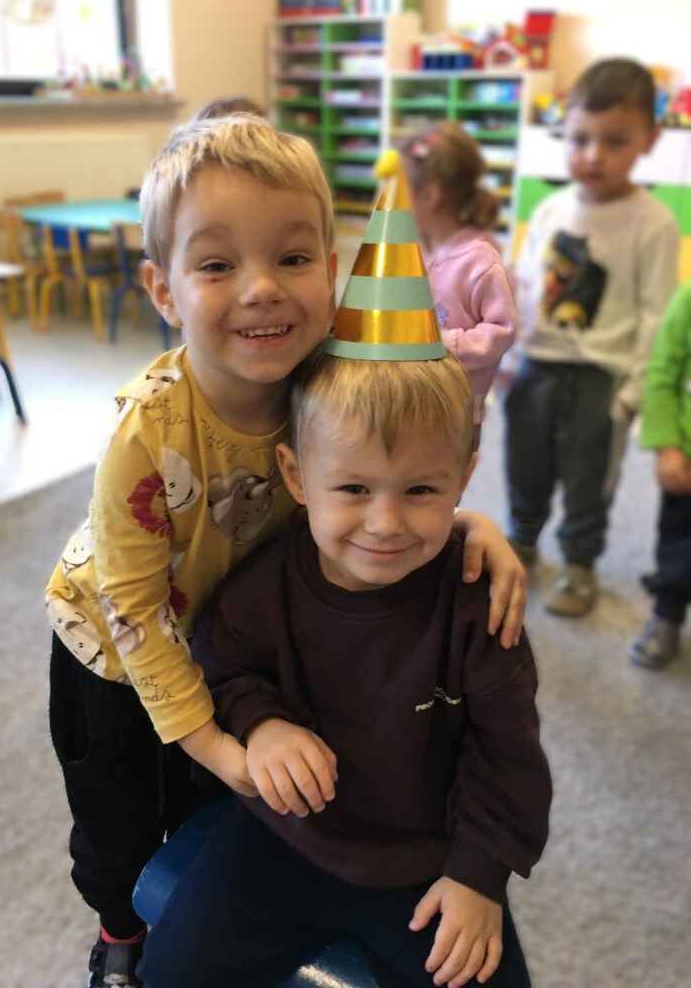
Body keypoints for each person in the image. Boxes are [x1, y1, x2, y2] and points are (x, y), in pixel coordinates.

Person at [44, 115, 529, 988]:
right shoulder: (145, 433)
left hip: (231, 622)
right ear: (163, 290)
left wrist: (465, 524)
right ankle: (120, 932)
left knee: (210, 807)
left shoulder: (320, 376)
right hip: (116, 644)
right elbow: (133, 609)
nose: (263, 289)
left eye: (293, 258)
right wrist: (221, 748)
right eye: (217, 265)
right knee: (121, 822)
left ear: (331, 272)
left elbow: (388, 470)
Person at [137, 345, 552, 988]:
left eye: (420, 490)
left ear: (463, 479)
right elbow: (221, 667)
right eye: (354, 489)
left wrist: (479, 874)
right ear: (297, 476)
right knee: (171, 972)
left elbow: (508, 755)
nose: (384, 524)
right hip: (278, 839)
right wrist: (262, 724)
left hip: (426, 864)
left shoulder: (481, 608)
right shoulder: (262, 587)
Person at [505, 58, 679, 616]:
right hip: (537, 366)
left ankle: (580, 563)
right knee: (524, 466)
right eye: (580, 139)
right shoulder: (550, 210)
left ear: (649, 140)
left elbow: (657, 317)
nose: (594, 155)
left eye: (615, 140)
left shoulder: (653, 223)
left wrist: (633, 395)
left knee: (588, 482)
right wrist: (507, 356)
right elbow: (525, 288)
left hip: (601, 377)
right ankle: (523, 542)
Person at [402, 121, 516, 446]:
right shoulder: (413, 247)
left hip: (459, 408)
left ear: (429, 195)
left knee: (447, 472)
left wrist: (445, 343)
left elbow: (502, 330)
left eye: (402, 187)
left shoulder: (480, 261)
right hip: (411, 393)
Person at [630, 284, 691, 668]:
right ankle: (667, 613)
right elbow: (662, 374)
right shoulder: (687, 300)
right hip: (687, 466)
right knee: (679, 553)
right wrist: (667, 446)